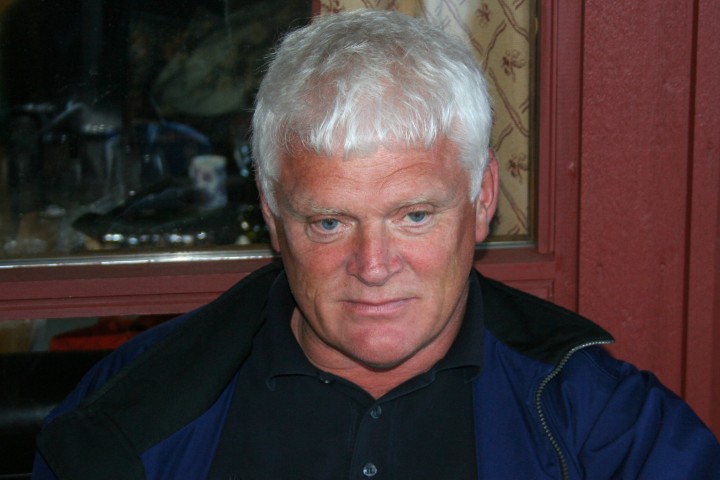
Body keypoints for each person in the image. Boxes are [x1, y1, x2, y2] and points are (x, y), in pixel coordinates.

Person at [33, 9, 720, 480]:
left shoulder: (603, 424)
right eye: (329, 222)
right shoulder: (125, 417)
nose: (373, 267)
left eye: (414, 215)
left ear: (483, 198)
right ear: (272, 214)